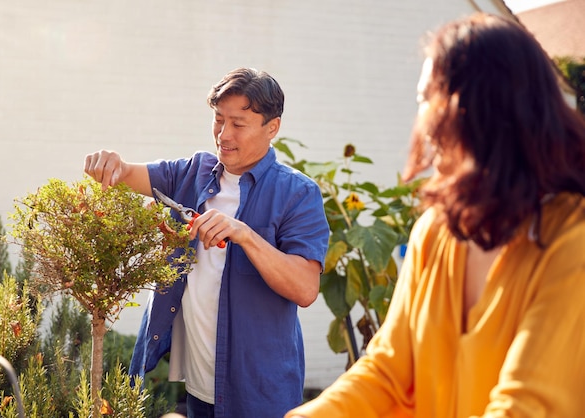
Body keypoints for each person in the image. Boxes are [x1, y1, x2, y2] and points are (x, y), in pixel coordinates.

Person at [286, 12, 585, 418]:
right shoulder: (437, 230)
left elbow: (527, 406)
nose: (422, 126)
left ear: (485, 108)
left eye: (430, 100)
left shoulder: (573, 238)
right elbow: (387, 370)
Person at [84, 67, 330, 418]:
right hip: (200, 389)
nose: (223, 134)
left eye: (238, 124)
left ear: (272, 128)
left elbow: (305, 288)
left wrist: (244, 235)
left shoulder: (298, 193)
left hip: (261, 394)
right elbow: (124, 173)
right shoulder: (192, 172)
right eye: (218, 120)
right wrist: (110, 163)